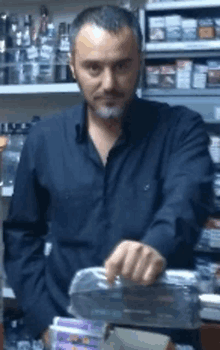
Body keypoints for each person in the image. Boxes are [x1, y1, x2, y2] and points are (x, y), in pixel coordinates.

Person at [3, 5, 214, 349]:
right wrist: (43, 322)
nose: (109, 83)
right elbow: (21, 236)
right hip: (71, 331)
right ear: (72, 65)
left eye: (121, 66)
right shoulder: (44, 139)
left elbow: (189, 197)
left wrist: (156, 244)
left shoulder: (181, 128)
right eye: (93, 68)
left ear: (140, 61)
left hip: (161, 335)